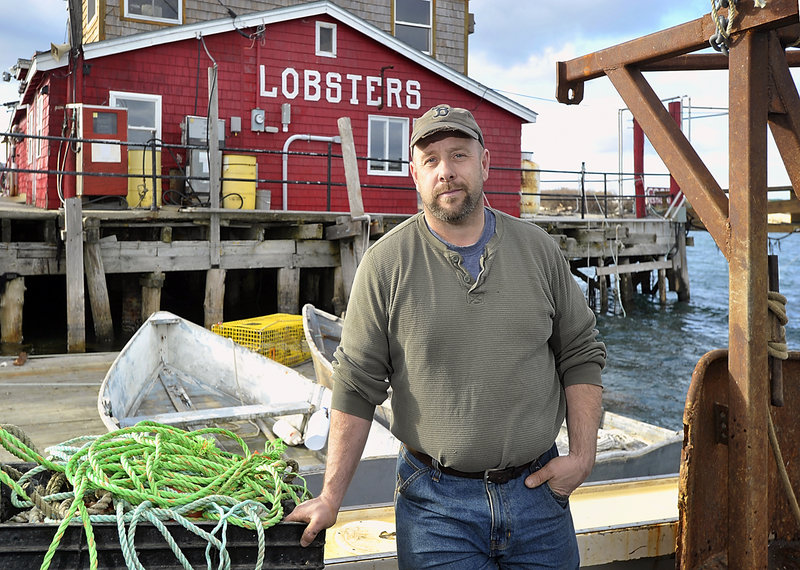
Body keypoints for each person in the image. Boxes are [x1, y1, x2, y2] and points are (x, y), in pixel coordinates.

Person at [286, 103, 606, 569]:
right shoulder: (385, 264)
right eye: (431, 159)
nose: (446, 171)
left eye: (459, 155)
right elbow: (356, 388)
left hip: (539, 497)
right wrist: (330, 497)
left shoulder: (539, 250)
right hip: (436, 509)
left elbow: (580, 353)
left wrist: (582, 458)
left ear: (485, 163)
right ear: (414, 173)